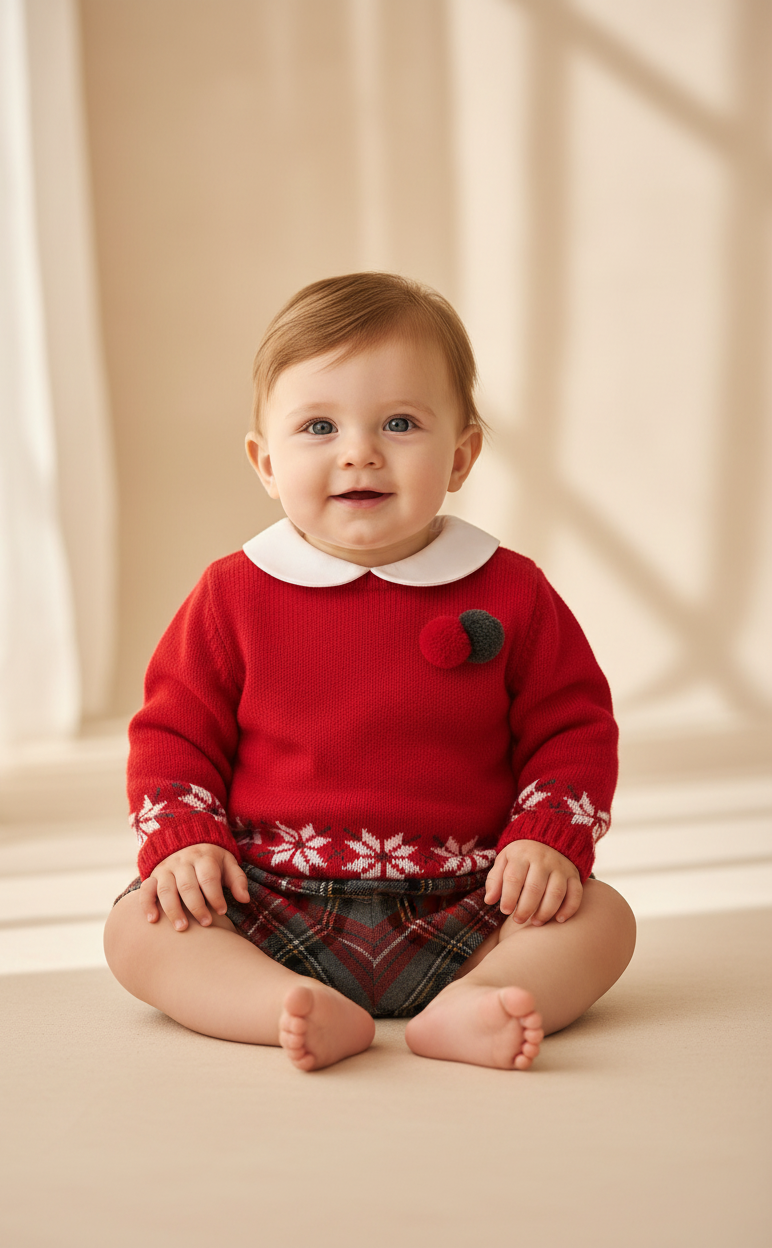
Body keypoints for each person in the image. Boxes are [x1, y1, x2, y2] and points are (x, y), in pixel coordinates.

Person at [104, 272, 636, 1072]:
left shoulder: (509, 589)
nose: (360, 451)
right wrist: (184, 843)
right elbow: (174, 733)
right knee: (137, 928)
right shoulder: (233, 594)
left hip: (472, 898)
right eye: (318, 426)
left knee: (603, 918)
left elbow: (572, 726)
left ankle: (472, 1004)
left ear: (461, 456)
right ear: (265, 462)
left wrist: (548, 841)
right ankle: (279, 1003)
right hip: (273, 899)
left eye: (399, 423)